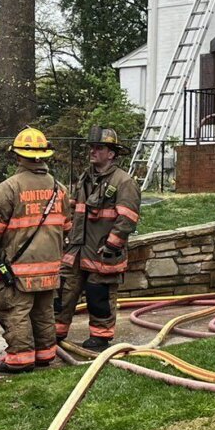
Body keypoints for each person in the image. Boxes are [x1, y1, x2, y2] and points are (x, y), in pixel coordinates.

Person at [0, 127, 70, 373]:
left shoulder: (10, 187)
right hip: (50, 266)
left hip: (18, 269)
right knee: (43, 312)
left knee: (15, 311)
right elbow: (67, 226)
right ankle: (45, 354)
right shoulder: (59, 188)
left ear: (18, 156)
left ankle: (20, 358)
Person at [57, 125, 142, 351]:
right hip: (77, 250)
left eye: (98, 148)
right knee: (63, 291)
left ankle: (100, 337)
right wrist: (66, 236)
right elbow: (73, 209)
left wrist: (111, 246)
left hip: (102, 252)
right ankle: (54, 333)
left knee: (99, 295)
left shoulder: (123, 182)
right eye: (91, 147)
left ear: (111, 153)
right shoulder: (85, 178)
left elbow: (127, 219)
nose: (92, 151)